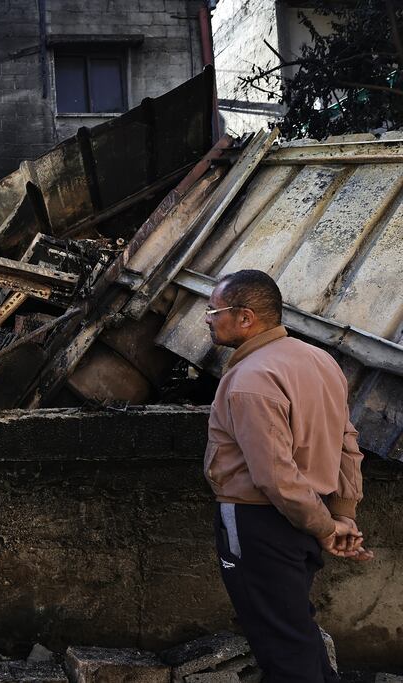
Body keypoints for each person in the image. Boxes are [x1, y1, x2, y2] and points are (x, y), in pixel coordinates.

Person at [203, 269, 373, 683]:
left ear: (245, 317)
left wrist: (325, 527)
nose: (207, 318)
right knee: (296, 630)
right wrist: (342, 515)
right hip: (302, 521)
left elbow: (275, 476)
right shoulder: (320, 361)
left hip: (260, 520)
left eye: (213, 310)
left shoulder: (251, 379)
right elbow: (347, 443)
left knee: (282, 648)